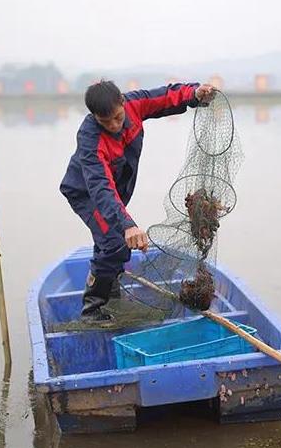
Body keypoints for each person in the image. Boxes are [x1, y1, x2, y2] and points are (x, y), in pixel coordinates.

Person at [60, 80, 216, 325]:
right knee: (115, 243)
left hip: (116, 190)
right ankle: (92, 310)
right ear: (94, 117)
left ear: (123, 102)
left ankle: (112, 297)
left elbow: (165, 96)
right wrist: (128, 225)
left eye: (118, 117)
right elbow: (100, 188)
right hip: (88, 193)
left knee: (109, 241)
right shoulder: (90, 138)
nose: (113, 125)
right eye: (105, 121)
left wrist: (194, 94)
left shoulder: (134, 103)